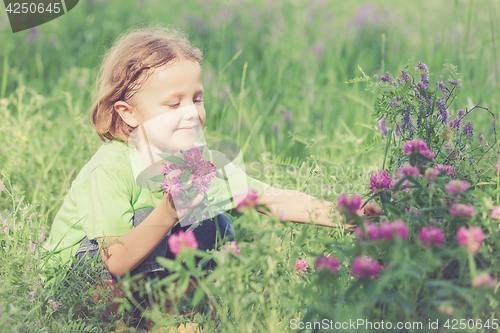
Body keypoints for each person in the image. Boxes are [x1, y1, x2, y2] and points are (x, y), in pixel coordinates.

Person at [41, 25, 380, 318]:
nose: (191, 112)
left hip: (134, 267)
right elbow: (114, 260)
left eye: (197, 99)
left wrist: (345, 214)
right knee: (155, 218)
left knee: (214, 222)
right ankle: (122, 320)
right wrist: (169, 211)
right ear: (128, 113)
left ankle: (171, 312)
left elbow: (268, 198)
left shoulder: (194, 161)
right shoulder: (111, 167)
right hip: (78, 276)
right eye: (174, 103)